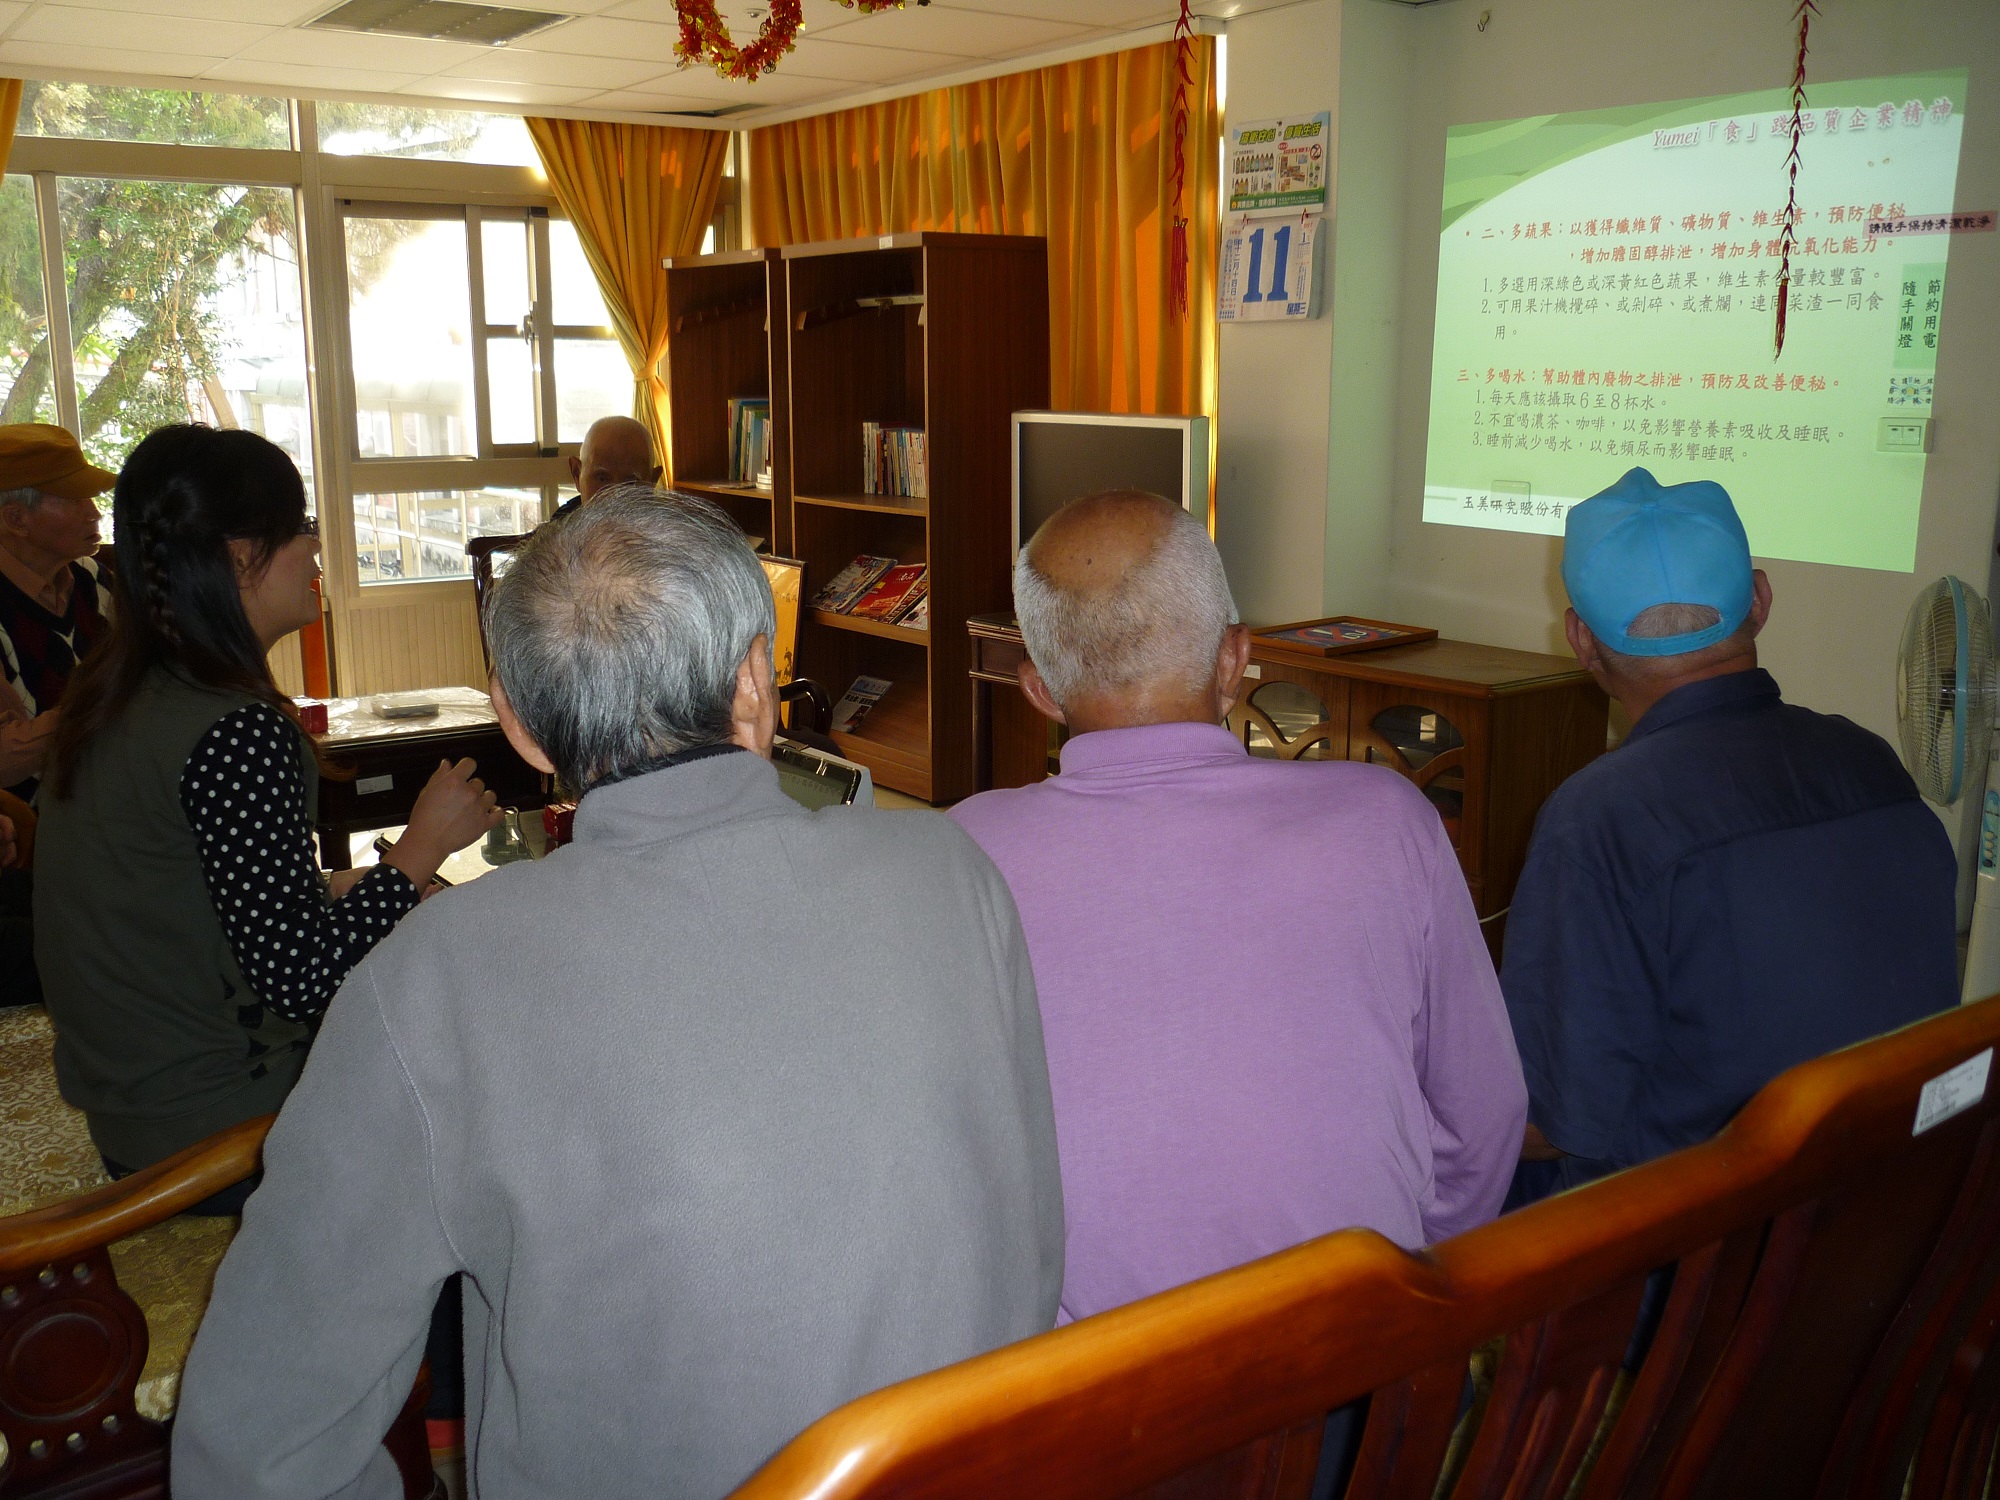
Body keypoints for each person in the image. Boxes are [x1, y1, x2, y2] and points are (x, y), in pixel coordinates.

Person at [173, 487, 1063, 1498]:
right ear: (754, 686)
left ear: (519, 726)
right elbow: (1029, 1238)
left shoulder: (432, 977)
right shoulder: (948, 868)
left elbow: (255, 1444)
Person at [949, 490, 1525, 1324]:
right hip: (1359, 1358)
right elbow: (1486, 1112)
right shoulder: (1389, 818)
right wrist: (1409, 1288)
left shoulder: (958, 856)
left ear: (1037, 691)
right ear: (1234, 660)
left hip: (1098, 1403)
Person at [34, 425, 501, 1192]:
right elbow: (303, 979)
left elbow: (190, 899)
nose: (317, 547)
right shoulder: (237, 730)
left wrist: (340, 889)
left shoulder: (124, 690)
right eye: (300, 528)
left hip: (137, 1111)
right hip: (221, 1130)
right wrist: (417, 851)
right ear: (238, 555)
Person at [1502, 468, 1957, 1200]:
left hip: (1699, 1272)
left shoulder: (1599, 819)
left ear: (1583, 641)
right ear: (1761, 599)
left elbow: (1553, 1119)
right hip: (1887, 1223)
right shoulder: (1874, 764)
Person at [0, 423, 119, 796]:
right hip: (32, 834)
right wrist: (107, 700)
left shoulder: (92, 576)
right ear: (16, 519)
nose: (95, 513)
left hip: (104, 803)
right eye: (74, 499)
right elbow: (5, 758)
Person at [552, 414, 662, 520]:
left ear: (652, 482)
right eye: (602, 479)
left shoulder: (672, 535)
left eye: (631, 483)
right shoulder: (551, 537)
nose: (615, 496)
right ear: (577, 474)